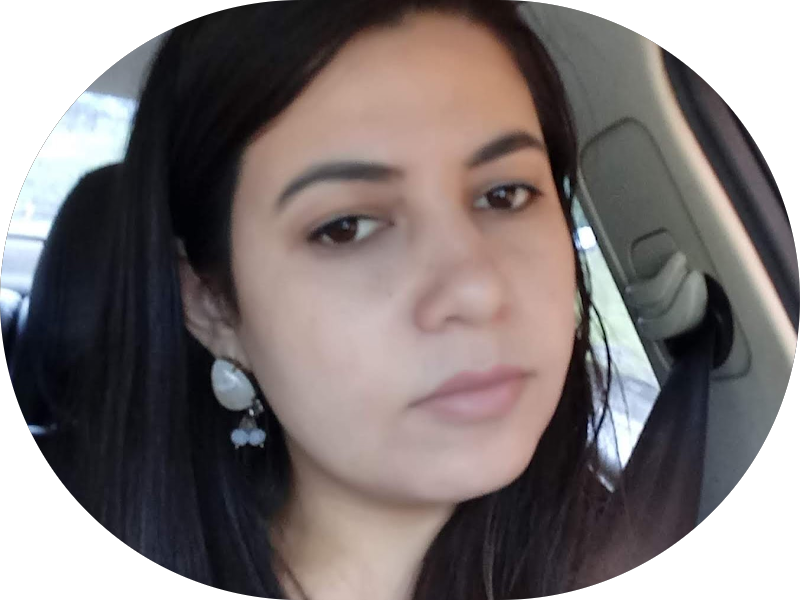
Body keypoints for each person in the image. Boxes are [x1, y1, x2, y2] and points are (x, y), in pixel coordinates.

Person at [24, 1, 625, 598]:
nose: (476, 289)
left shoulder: (639, 526)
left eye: (505, 194)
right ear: (213, 306)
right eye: (345, 228)